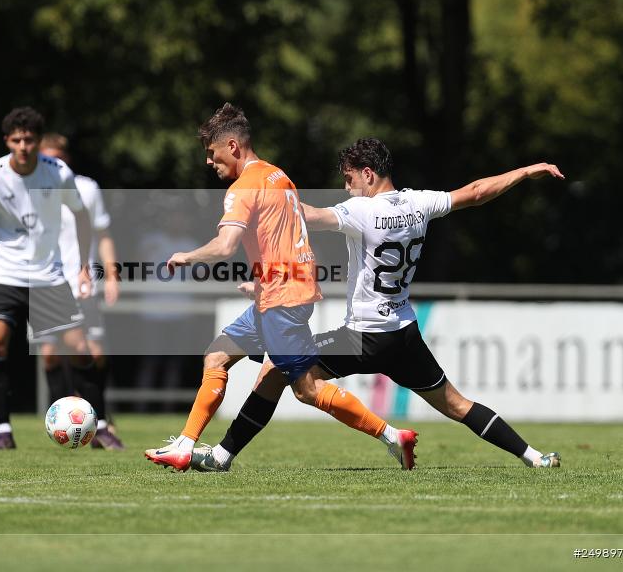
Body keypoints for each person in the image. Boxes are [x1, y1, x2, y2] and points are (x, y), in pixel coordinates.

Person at [191, 138, 564, 471]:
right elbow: (479, 191)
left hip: (364, 337)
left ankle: (222, 456)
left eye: (349, 179)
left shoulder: (362, 212)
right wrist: (527, 170)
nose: (346, 187)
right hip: (403, 335)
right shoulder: (421, 202)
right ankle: (534, 457)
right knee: (457, 405)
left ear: (368, 174)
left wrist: (263, 193)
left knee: (275, 371)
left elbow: (307, 216)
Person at [144, 104, 418, 472]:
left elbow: (225, 246)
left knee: (307, 389)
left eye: (212, 153)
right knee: (217, 355)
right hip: (279, 292)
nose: (210, 162)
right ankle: (188, 444)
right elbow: (289, 236)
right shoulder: (278, 176)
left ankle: (391, 435)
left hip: (282, 300)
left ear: (233, 146)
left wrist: (187, 256)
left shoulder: (242, 189)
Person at [0, 107, 117, 450]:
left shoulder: (58, 173)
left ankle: (102, 427)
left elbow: (82, 217)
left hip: (47, 275)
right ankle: (3, 432)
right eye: (16, 140)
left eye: (29, 139)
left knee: (79, 349)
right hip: (1, 273)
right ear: (7, 141)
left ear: (37, 141)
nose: (23, 146)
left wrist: (81, 265)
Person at [35, 132, 124, 449]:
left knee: (93, 353)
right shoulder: (29, 189)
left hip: (82, 285)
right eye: (47, 156)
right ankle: (62, 418)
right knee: (50, 355)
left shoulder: (86, 188)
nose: (53, 161)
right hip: (45, 285)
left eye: (58, 155)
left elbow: (103, 234)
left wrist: (111, 274)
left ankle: (100, 421)